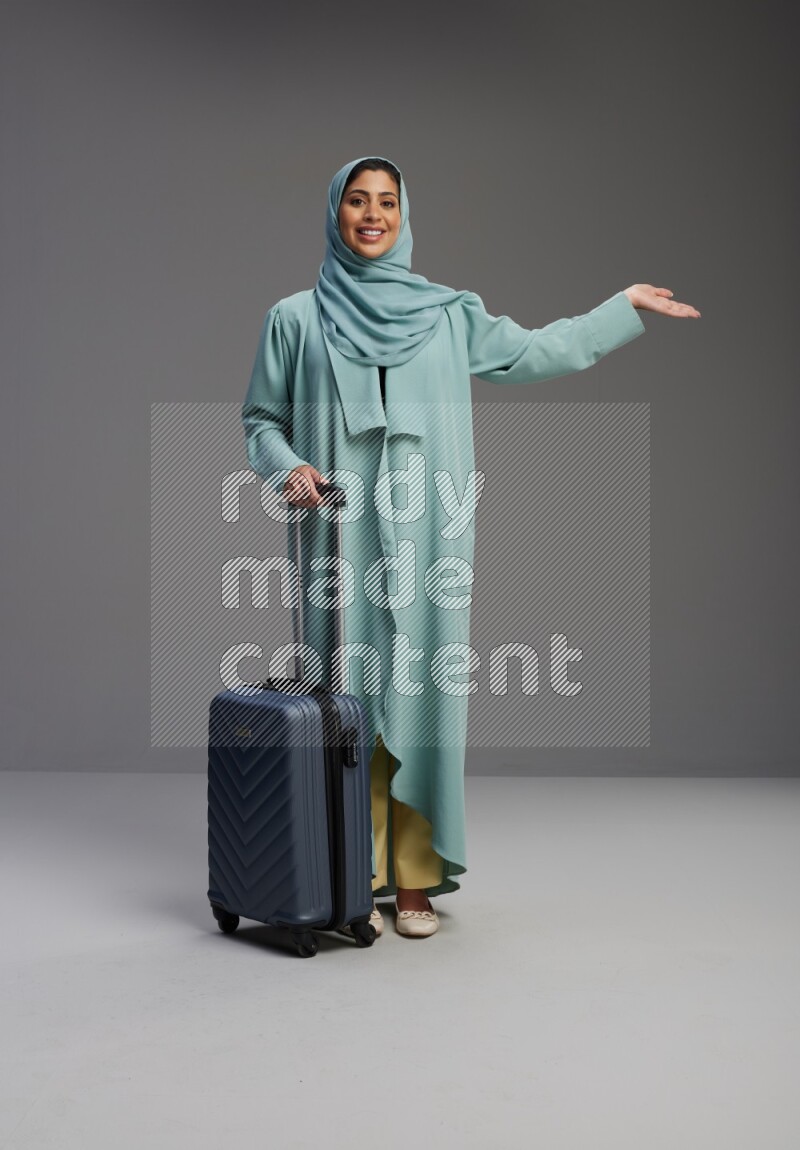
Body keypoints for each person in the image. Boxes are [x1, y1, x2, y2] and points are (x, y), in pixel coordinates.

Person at [242, 155, 700, 940]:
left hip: (428, 534)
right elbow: (260, 422)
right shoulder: (294, 317)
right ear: (335, 212)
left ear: (405, 213)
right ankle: (352, 876)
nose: (373, 214)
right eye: (357, 201)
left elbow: (534, 353)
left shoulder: (447, 316)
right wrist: (289, 469)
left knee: (422, 703)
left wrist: (619, 307)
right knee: (342, 705)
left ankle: (413, 880)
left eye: (387, 201)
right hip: (336, 536)